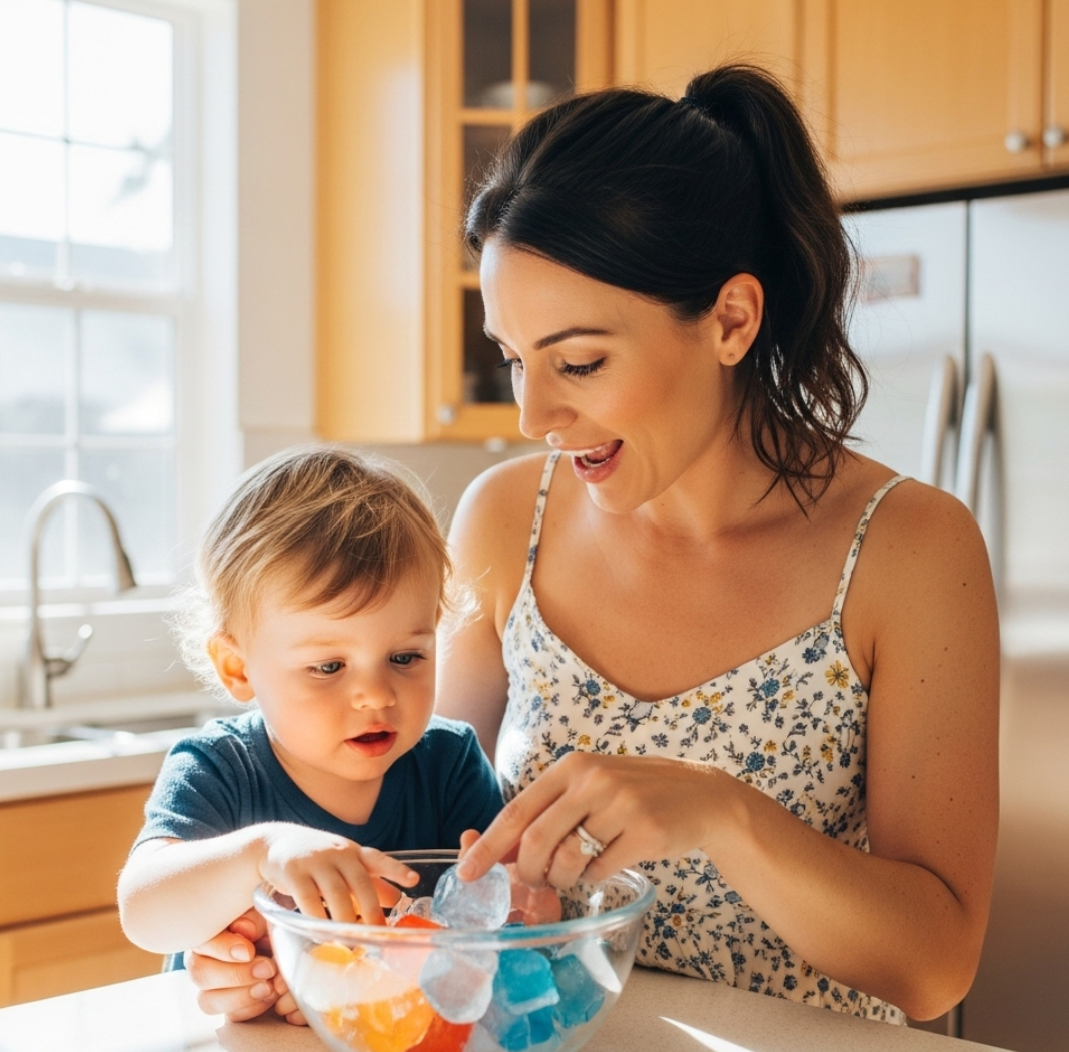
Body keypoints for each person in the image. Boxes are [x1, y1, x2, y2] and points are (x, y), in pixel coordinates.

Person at [187, 63, 999, 1026]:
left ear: (731, 319)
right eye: (514, 360)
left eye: (579, 361)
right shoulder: (502, 523)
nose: (534, 412)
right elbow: (422, 849)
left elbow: (936, 966)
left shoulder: (908, 551)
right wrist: (278, 943)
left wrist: (721, 812)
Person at [117, 447, 504, 1022]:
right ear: (238, 668)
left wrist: (352, 981)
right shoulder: (219, 767)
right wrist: (261, 851)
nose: (376, 695)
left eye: (405, 656)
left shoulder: (450, 764)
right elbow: (143, 911)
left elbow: (506, 926)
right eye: (328, 667)